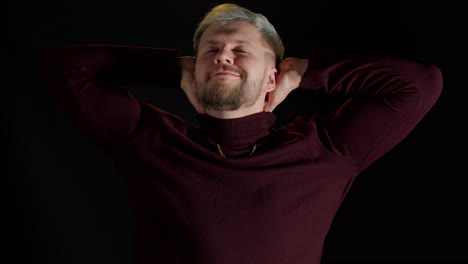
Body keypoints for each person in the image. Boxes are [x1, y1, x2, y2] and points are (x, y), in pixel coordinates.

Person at [39, 3, 443, 264]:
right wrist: (167, 68)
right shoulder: (149, 140)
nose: (223, 55)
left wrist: (305, 72)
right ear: (192, 72)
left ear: (273, 76)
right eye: (210, 50)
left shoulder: (326, 149)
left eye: (241, 49)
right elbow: (60, 67)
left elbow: (419, 84)